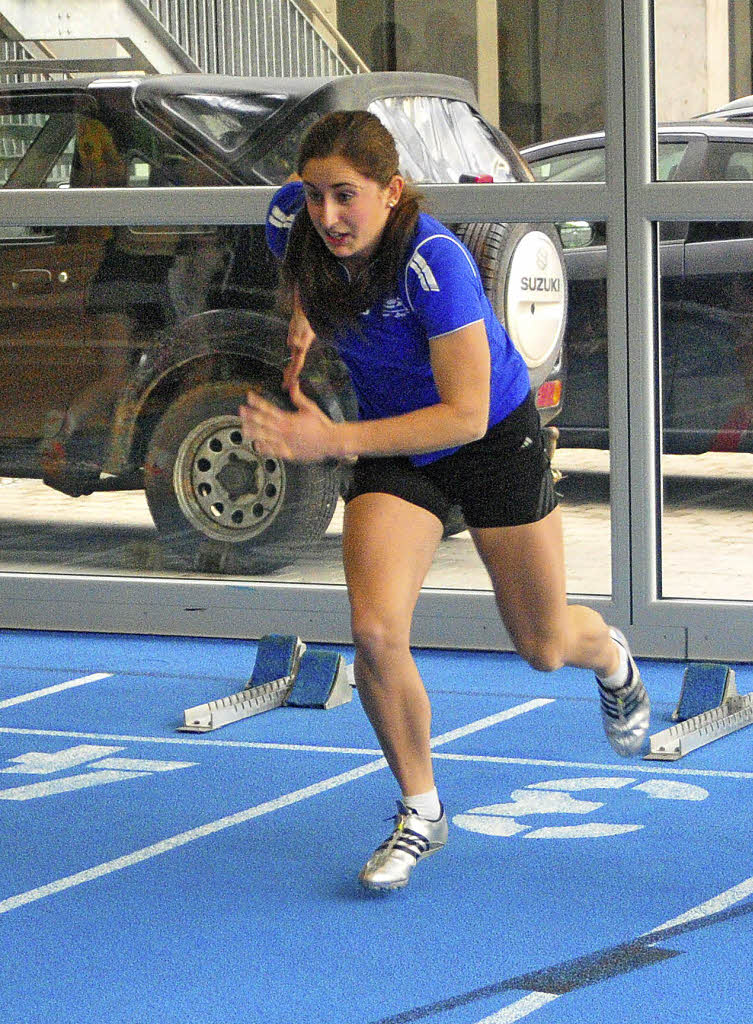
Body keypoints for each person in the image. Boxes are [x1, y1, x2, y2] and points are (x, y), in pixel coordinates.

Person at [240, 110, 650, 892]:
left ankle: (613, 657)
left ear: (392, 192)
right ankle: (421, 810)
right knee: (373, 630)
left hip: (489, 438)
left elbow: (462, 413)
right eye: (316, 194)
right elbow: (298, 264)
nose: (329, 215)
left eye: (348, 197)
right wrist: (303, 317)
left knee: (543, 647)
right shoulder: (291, 219)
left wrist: (331, 442)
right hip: (398, 452)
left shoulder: (434, 263)